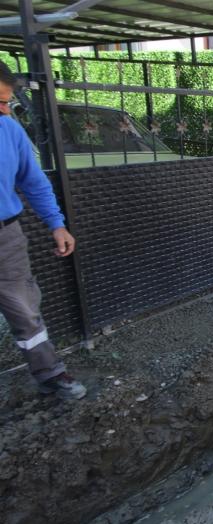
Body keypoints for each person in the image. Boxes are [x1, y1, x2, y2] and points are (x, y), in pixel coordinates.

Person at [0, 61, 86, 400]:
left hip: (5, 236)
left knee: (24, 308)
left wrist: (57, 224)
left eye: (6, 102)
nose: (6, 110)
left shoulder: (8, 130)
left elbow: (33, 181)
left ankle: (50, 374)